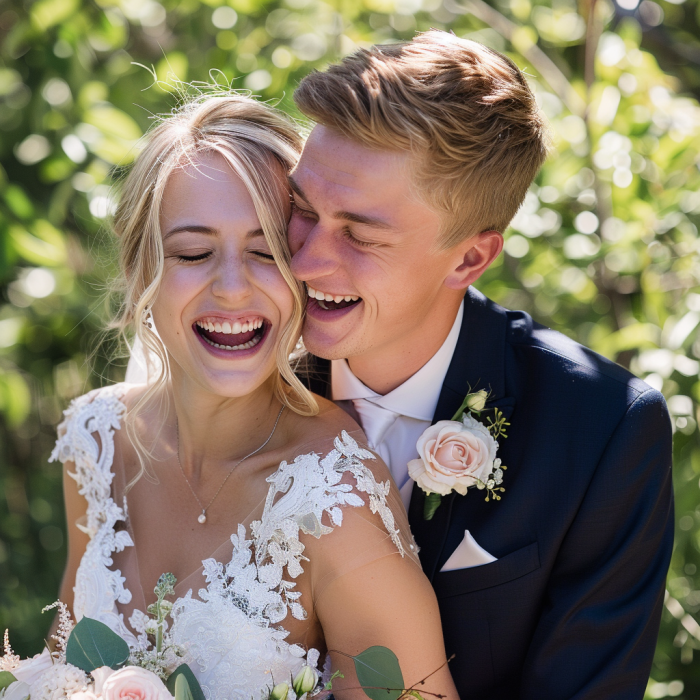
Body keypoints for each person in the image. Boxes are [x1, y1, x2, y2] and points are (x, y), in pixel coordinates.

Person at [288, 30, 674, 699]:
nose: (303, 261)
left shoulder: (602, 431)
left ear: (469, 259)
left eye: (359, 233)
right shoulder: (237, 371)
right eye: (299, 209)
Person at [54, 94, 459, 700]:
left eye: (268, 251)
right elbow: (67, 664)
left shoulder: (331, 497)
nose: (233, 289)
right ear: (142, 269)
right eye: (193, 253)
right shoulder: (95, 440)